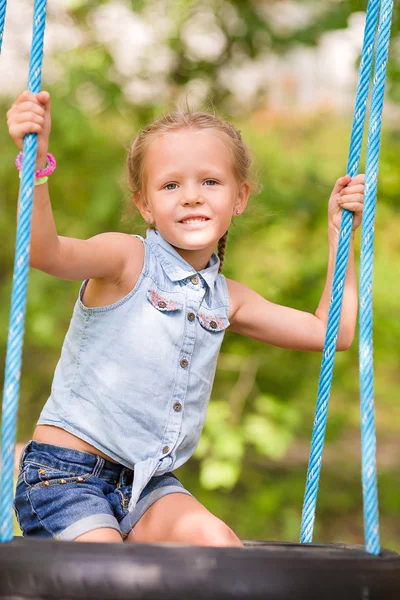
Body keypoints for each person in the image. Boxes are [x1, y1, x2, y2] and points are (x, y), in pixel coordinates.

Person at [7, 90, 364, 547]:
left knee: (219, 548)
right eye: (171, 185)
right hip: (65, 476)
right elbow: (45, 252)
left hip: (145, 486)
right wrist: (34, 163)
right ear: (144, 204)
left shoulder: (227, 298)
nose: (192, 197)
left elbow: (331, 332)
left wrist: (339, 236)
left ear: (240, 197)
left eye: (210, 182)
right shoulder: (127, 259)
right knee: (103, 569)